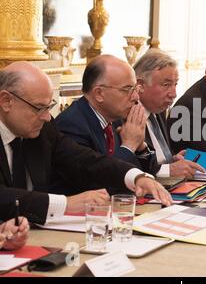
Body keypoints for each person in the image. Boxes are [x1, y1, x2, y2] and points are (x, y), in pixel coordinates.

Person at [0, 62, 172, 225]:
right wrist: (66, 204)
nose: (46, 116)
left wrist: (135, 176)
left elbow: (84, 159)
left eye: (49, 106)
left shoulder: (42, 128)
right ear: (6, 101)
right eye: (38, 108)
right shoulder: (71, 122)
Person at [54, 55, 152, 194]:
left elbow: (145, 174)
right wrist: (129, 146)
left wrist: (140, 147)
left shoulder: (116, 116)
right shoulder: (72, 124)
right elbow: (99, 185)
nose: (136, 97)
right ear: (99, 93)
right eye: (127, 89)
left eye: (136, 88)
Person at [134, 49, 205, 179]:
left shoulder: (159, 111)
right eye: (166, 85)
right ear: (141, 85)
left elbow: (155, 161)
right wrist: (168, 170)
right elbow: (130, 167)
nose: (174, 94)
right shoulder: (126, 116)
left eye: (175, 84)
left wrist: (171, 160)